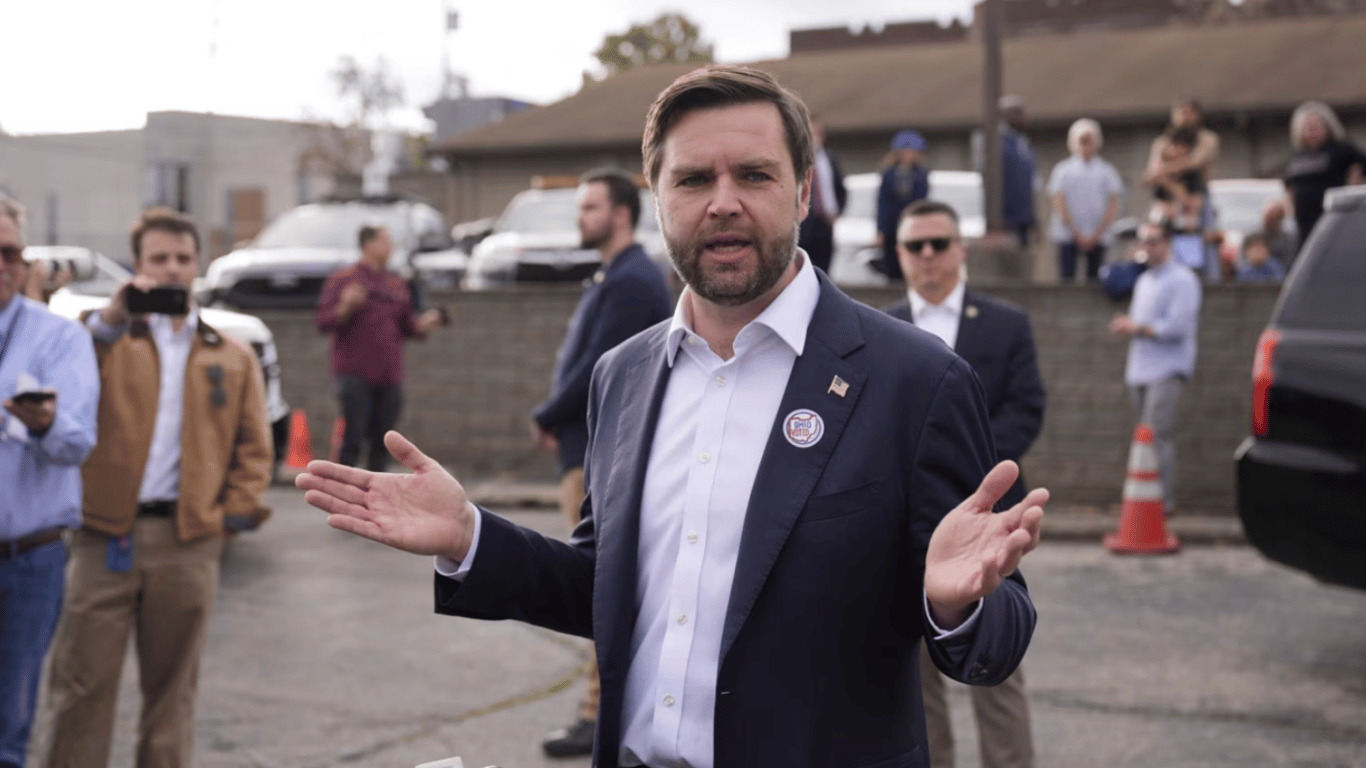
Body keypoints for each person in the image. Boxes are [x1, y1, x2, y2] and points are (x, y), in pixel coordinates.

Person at [297, 65, 1048, 768]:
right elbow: (605, 588)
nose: (723, 201)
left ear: (801, 193)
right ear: (657, 200)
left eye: (753, 174)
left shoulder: (916, 380)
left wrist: (954, 606)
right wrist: (472, 537)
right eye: (692, 179)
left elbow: (999, 633)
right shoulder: (622, 377)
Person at [43, 207, 274, 768]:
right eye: (158, 258)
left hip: (188, 539)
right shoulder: (104, 336)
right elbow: (63, 385)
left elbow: (254, 448)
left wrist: (228, 518)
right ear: (137, 266)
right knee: (80, 687)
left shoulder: (231, 354)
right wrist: (112, 318)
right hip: (103, 537)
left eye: (182, 258)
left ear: (197, 265)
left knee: (172, 695)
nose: (172, 269)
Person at [884, 199, 1045, 768]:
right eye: (915, 245)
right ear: (899, 254)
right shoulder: (877, 330)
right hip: (901, 527)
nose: (928, 255)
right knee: (915, 678)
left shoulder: (1005, 322)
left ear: (961, 249)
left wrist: (959, 469)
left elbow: (1026, 407)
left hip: (986, 523)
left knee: (995, 667)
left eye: (939, 243)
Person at [531, 168, 674, 758]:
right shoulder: (613, 275)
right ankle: (599, 711)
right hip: (585, 449)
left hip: (603, 458)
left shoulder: (633, 281)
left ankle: (598, 716)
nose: (580, 217)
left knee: (602, 589)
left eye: (590, 207)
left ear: (620, 214)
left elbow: (599, 367)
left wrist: (546, 415)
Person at [0, 195, 99, 768]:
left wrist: (43, 422)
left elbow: (77, 442)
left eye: (10, 252)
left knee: (7, 730)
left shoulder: (59, 338)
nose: (2, 263)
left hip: (25, 561)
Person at [317, 224, 446, 471]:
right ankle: (344, 488)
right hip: (354, 374)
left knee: (384, 440)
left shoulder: (396, 283)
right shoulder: (344, 280)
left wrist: (425, 323)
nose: (390, 248)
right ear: (368, 244)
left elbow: (407, 326)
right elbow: (324, 322)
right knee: (353, 437)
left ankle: (378, 491)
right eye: (385, 242)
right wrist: (346, 306)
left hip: (389, 374)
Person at [1109, 222, 1201, 517]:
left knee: (1156, 434)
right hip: (1140, 369)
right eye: (1144, 241)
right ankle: (1143, 501)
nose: (1147, 247)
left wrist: (1137, 328)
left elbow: (1178, 327)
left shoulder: (1183, 279)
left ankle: (1164, 503)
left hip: (1168, 368)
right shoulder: (1144, 280)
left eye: (1153, 241)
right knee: (1143, 438)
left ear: (1167, 242)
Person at [1048, 118, 1124, 283]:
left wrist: (1096, 234)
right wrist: (1076, 233)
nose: (1086, 146)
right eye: (1082, 141)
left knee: (1094, 280)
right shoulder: (1063, 171)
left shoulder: (1107, 171)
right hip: (1068, 234)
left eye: (1090, 141)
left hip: (1098, 235)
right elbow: (1059, 203)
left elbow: (1112, 204)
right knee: (1066, 280)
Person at [1283, 100, 1365, 249]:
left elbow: (1361, 166)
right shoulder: (1297, 156)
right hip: (1303, 225)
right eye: (1307, 128)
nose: (1312, 133)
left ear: (1328, 127)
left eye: (1316, 128)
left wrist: (1354, 183)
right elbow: (1288, 184)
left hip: (1333, 220)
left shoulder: (1342, 149)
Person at [974, 95, 1038, 249]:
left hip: (1023, 217)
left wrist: (1033, 218)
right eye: (1017, 113)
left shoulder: (1022, 142)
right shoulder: (993, 141)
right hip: (1004, 218)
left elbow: (1030, 182)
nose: (1022, 118)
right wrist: (994, 216)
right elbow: (987, 179)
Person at [1152, 128, 1215, 279]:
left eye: (1179, 146)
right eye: (1173, 145)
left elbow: (1193, 206)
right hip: (1168, 236)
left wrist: (1171, 186)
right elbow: (1165, 210)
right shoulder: (1163, 175)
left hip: (1189, 236)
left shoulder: (1193, 175)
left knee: (1190, 274)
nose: (1175, 150)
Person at [876, 129, 930, 280]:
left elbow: (921, 202)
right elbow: (882, 204)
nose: (917, 154)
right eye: (914, 150)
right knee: (892, 268)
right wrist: (880, 230)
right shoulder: (888, 175)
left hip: (914, 229)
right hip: (892, 230)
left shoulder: (921, 175)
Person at [797, 115, 848, 274]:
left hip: (826, 222)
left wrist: (838, 211)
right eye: (812, 133)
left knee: (825, 268)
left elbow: (839, 187)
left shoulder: (830, 158)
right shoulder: (797, 160)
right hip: (805, 223)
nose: (816, 137)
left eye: (818, 133)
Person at [1144, 96, 1219, 186]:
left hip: (1198, 189)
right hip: (1166, 190)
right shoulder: (1162, 142)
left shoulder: (1207, 139)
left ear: (1198, 115)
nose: (1184, 115)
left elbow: (1195, 162)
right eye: (1181, 110)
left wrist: (1165, 169)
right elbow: (1152, 172)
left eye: (1189, 111)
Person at [1258, 200, 1298, 272]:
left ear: (1279, 220)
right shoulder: (1254, 237)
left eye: (1273, 218)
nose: (1268, 221)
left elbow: (1289, 263)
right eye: (1267, 216)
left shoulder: (1287, 240)